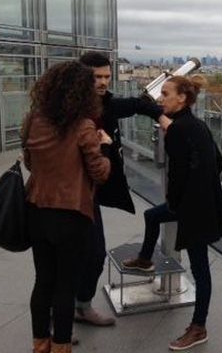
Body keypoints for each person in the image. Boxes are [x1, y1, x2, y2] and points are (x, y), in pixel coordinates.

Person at [124, 75, 222, 351]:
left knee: (200, 268)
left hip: (192, 210)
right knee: (152, 216)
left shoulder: (177, 131)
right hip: (201, 204)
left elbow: (179, 175)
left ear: (182, 98)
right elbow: (218, 162)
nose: (160, 99)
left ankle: (198, 327)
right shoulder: (198, 126)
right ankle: (145, 259)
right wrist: (200, 189)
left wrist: (178, 201)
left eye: (166, 94)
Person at [73, 52, 171, 326]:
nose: (103, 82)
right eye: (97, 77)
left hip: (90, 192)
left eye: (106, 76)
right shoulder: (69, 110)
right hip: (70, 193)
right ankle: (69, 313)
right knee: (79, 255)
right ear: (82, 78)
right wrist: (102, 144)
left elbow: (138, 105)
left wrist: (163, 118)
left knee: (92, 254)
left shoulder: (106, 105)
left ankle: (80, 305)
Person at [24, 61, 111, 353]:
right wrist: (106, 148)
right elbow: (99, 172)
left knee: (43, 281)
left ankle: (40, 345)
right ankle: (61, 346)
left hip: (37, 210)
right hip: (72, 215)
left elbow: (29, 163)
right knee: (65, 286)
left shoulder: (33, 120)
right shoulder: (84, 126)